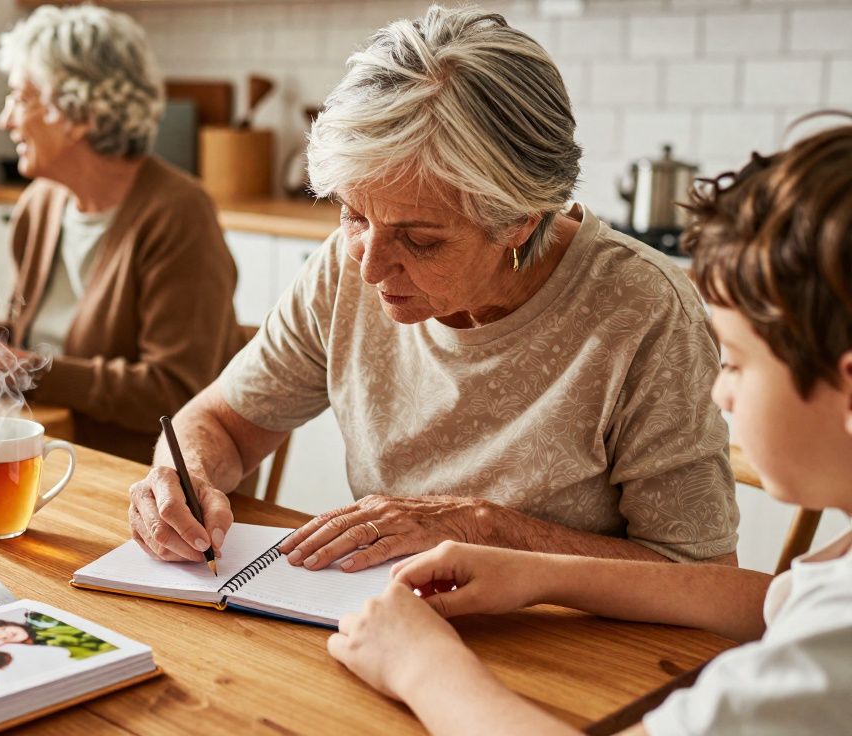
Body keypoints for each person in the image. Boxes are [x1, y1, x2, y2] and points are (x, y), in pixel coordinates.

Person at [129, 6, 738, 570]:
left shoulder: (645, 311)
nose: (368, 269)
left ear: (521, 218)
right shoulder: (344, 270)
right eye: (353, 215)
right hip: (385, 623)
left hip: (569, 656)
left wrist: (488, 530)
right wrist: (184, 479)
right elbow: (223, 424)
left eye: (420, 240)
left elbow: (699, 575)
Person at [327, 121, 852, 734]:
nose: (721, 391)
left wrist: (422, 665)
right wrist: (537, 572)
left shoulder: (830, 646)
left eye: (734, 360)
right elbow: (767, 602)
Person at [0, 5, 243, 464]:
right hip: (51, 451)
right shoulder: (41, 203)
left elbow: (174, 393)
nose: (5, 120)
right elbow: (41, 335)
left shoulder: (178, 213)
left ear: (79, 112)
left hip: (140, 477)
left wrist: (24, 366)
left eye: (20, 98)